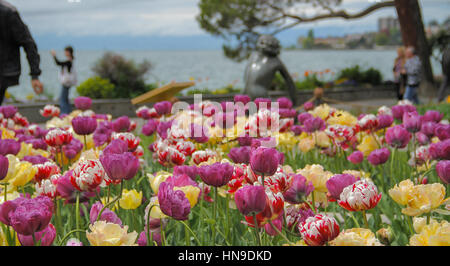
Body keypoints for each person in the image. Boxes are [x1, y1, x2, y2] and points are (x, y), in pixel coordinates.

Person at [0, 0, 44, 105]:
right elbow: (28, 43)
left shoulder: (8, 12)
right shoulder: (9, 11)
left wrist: (35, 74)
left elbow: (28, 43)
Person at [51, 46, 77, 114]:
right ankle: (69, 113)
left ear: (68, 52)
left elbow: (58, 63)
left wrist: (54, 55)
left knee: (62, 100)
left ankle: (64, 114)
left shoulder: (69, 61)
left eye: (65, 51)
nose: (65, 53)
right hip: (67, 83)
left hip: (66, 83)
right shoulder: (70, 60)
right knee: (65, 99)